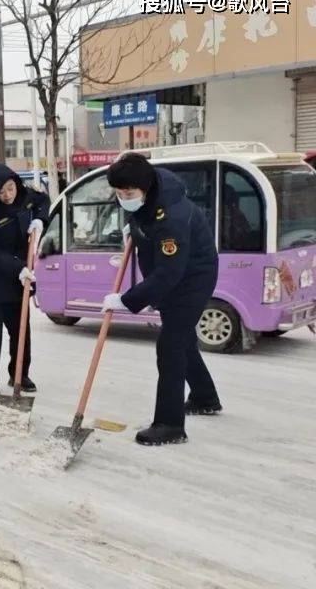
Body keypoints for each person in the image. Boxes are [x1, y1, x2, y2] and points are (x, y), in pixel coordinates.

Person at [102, 153, 221, 446]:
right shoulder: (150, 193)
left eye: (128, 194)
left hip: (191, 281)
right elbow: (146, 217)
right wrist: (138, 227)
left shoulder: (172, 217)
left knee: (169, 345)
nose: (123, 198)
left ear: (144, 188)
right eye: (118, 193)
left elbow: (169, 272)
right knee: (181, 341)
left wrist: (128, 301)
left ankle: (169, 425)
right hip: (174, 277)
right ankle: (205, 397)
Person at [0, 163, 50, 397]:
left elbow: (43, 200)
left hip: (18, 278)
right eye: (1, 192)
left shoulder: (24, 196)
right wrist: (18, 267)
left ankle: (19, 374)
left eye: (10, 188)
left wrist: (40, 220)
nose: (7, 195)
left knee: (21, 329)